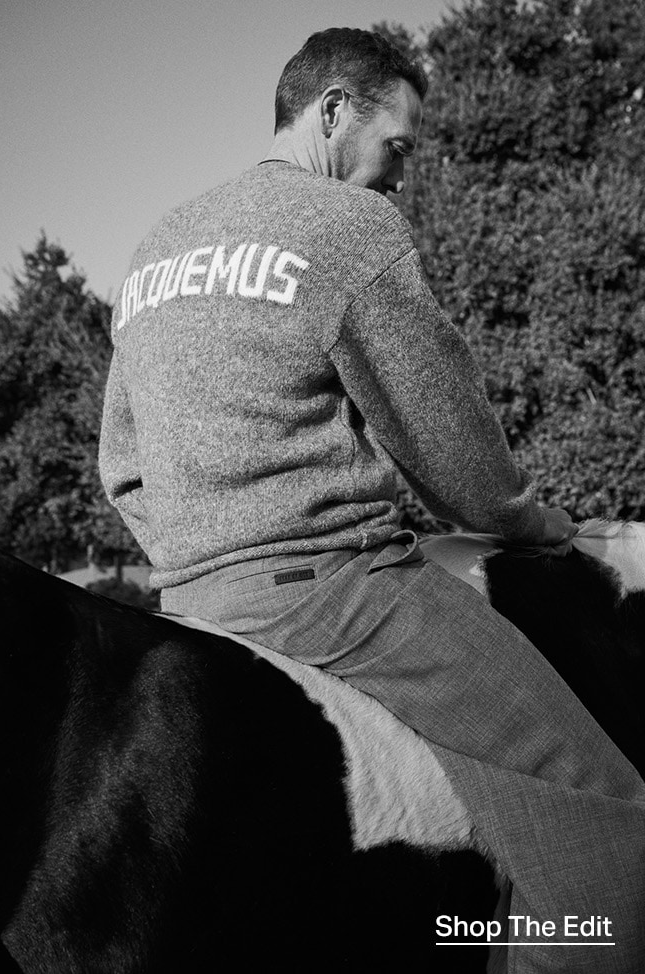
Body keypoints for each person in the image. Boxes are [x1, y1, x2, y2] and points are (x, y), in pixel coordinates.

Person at [99, 27, 644, 973]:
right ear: (333, 111)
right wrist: (530, 522)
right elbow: (443, 439)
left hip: (188, 598)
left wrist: (197, 554)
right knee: (602, 796)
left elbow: (123, 467)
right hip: (339, 593)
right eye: (398, 147)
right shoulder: (349, 229)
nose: (400, 177)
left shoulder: (157, 247)